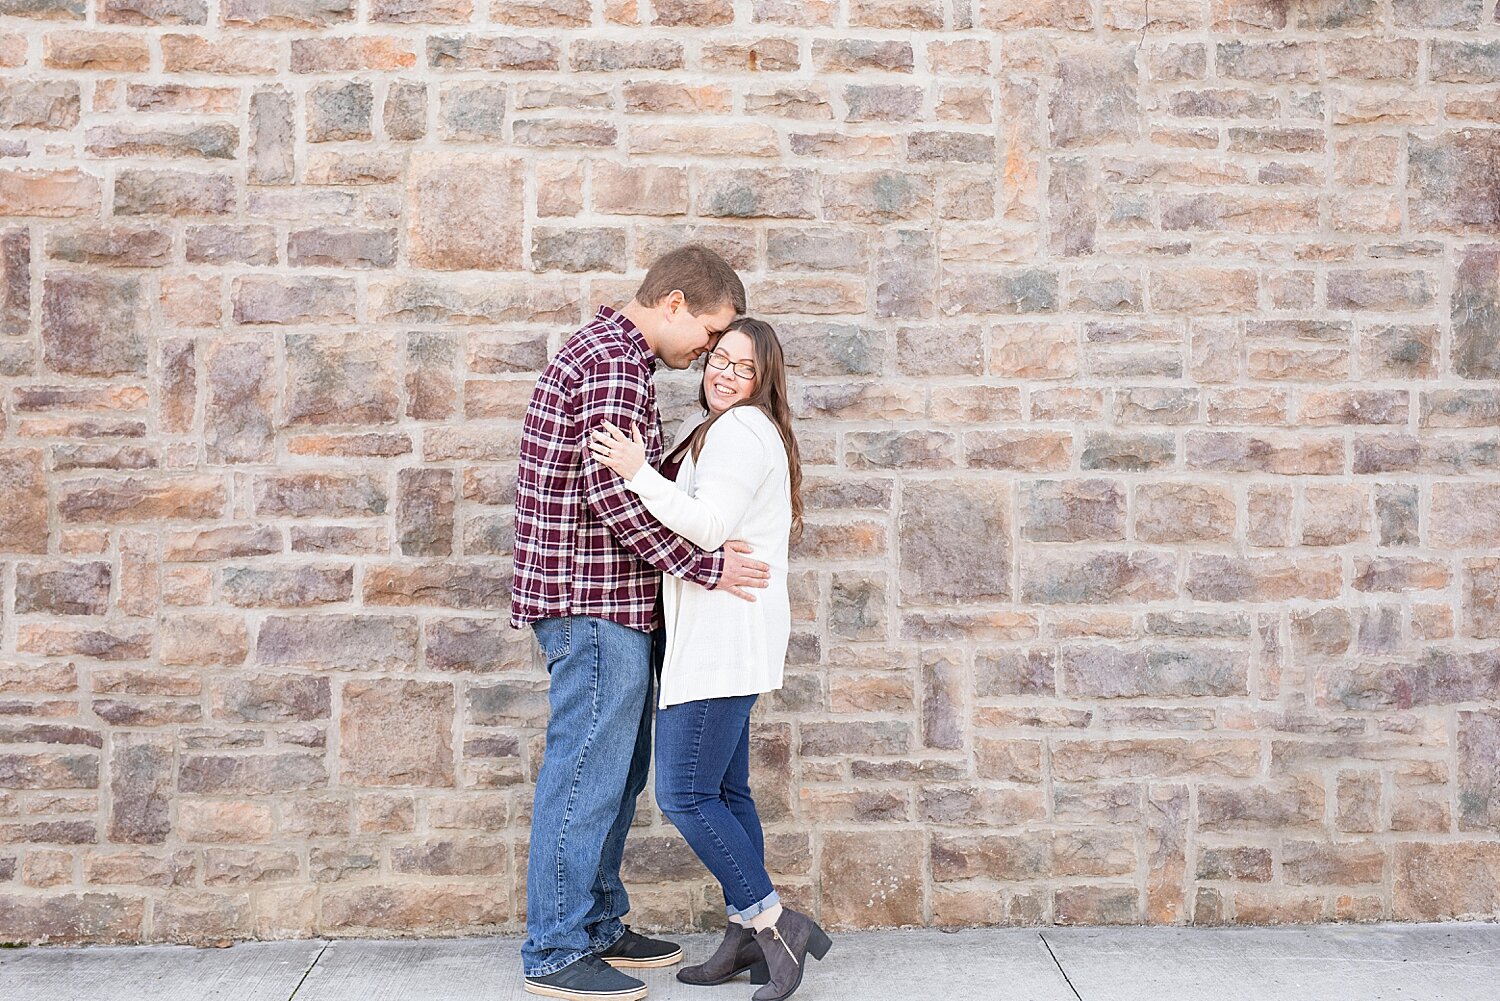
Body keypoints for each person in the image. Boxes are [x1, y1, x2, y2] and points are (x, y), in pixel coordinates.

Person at [511, 246, 773, 1001]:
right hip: (590, 602)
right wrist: (708, 566)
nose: (706, 352)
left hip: (610, 605)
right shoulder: (613, 364)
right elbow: (616, 499)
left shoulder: (615, 358)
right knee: (585, 774)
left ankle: (594, 923)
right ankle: (556, 949)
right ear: (677, 304)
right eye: (710, 331)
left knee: (616, 774)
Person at [590, 318, 831, 1001]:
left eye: (742, 367)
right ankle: (744, 934)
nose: (724, 372)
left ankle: (776, 922)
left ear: (763, 381)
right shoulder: (731, 429)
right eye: (718, 358)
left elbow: (707, 524)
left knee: (685, 793)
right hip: (730, 638)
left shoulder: (740, 430)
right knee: (726, 792)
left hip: (721, 641)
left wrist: (636, 472)